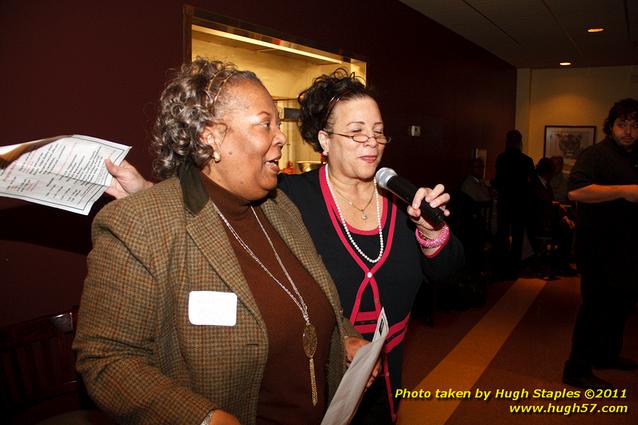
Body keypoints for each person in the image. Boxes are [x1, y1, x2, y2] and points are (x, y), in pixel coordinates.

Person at [106, 69, 464, 423]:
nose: (371, 141)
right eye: (356, 133)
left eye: (378, 132)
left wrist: (430, 231)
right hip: (313, 383)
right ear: (325, 140)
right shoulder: (285, 198)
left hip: (384, 379)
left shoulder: (405, 203)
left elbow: (447, 275)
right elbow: (217, 214)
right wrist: (148, 195)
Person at [73, 58, 375, 425]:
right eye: (266, 124)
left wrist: (344, 338)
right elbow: (106, 359)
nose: (281, 137)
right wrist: (202, 418)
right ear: (211, 136)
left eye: (279, 125)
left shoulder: (282, 210)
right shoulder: (138, 223)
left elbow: (309, 300)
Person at [562, 98, 638, 389]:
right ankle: (576, 370)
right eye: (622, 125)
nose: (628, 131)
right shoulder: (597, 154)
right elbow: (576, 192)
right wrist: (624, 191)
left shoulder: (633, 157)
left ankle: (607, 355)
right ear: (611, 126)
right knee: (595, 308)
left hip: (628, 248)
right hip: (598, 248)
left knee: (621, 306)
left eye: (634, 125)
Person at [491, 129, 535, 279]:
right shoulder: (527, 160)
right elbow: (531, 185)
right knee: (517, 236)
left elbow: (498, 181)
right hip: (520, 203)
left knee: (502, 234)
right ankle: (514, 268)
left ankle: (501, 267)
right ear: (520, 142)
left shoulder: (501, 158)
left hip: (505, 202)